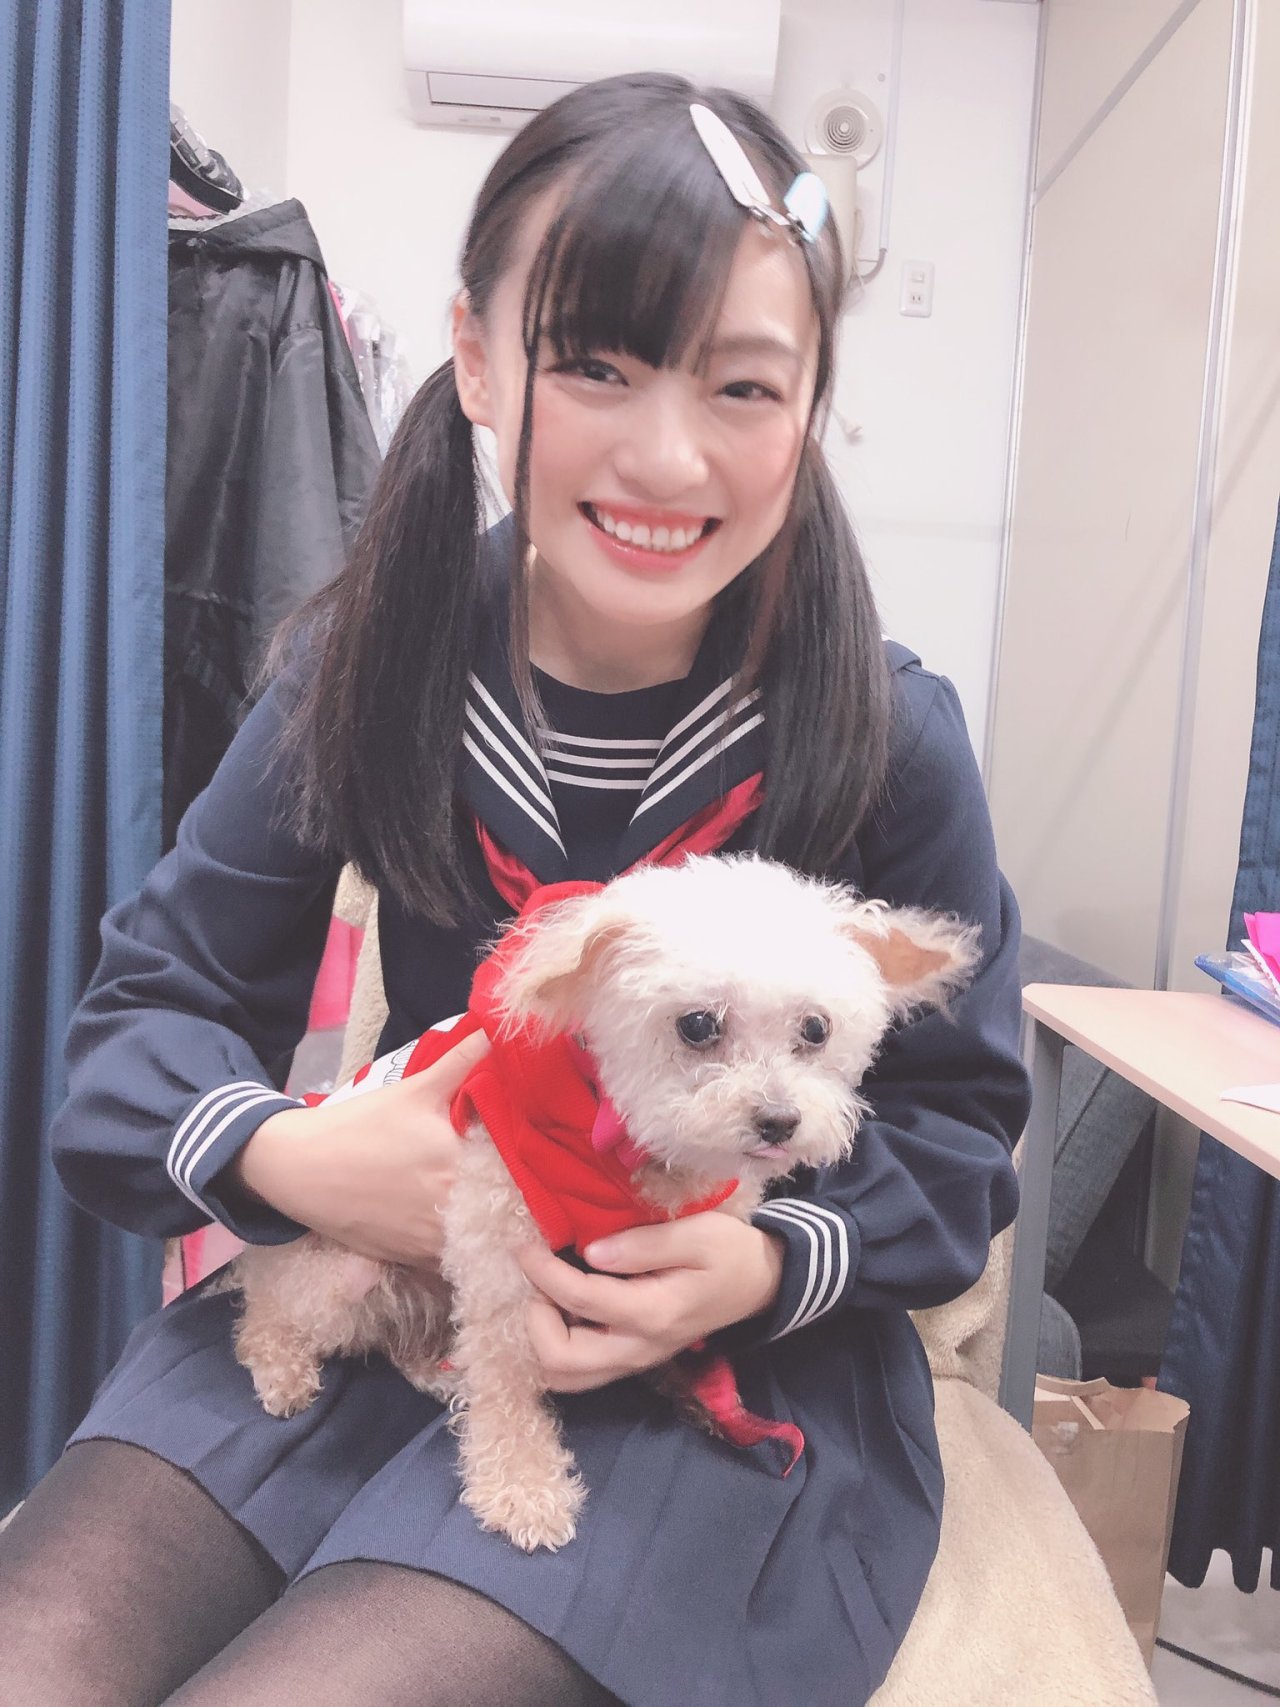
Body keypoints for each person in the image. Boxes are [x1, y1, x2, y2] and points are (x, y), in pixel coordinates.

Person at [0, 73, 1028, 1707]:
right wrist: (295, 1155)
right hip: (393, 1272)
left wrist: (760, 1266)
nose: (667, 454)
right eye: (597, 365)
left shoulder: (887, 734)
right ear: (478, 360)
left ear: (813, 401)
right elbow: (148, 1019)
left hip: (709, 1354)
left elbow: (963, 1134)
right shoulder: (363, 670)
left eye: (742, 386)